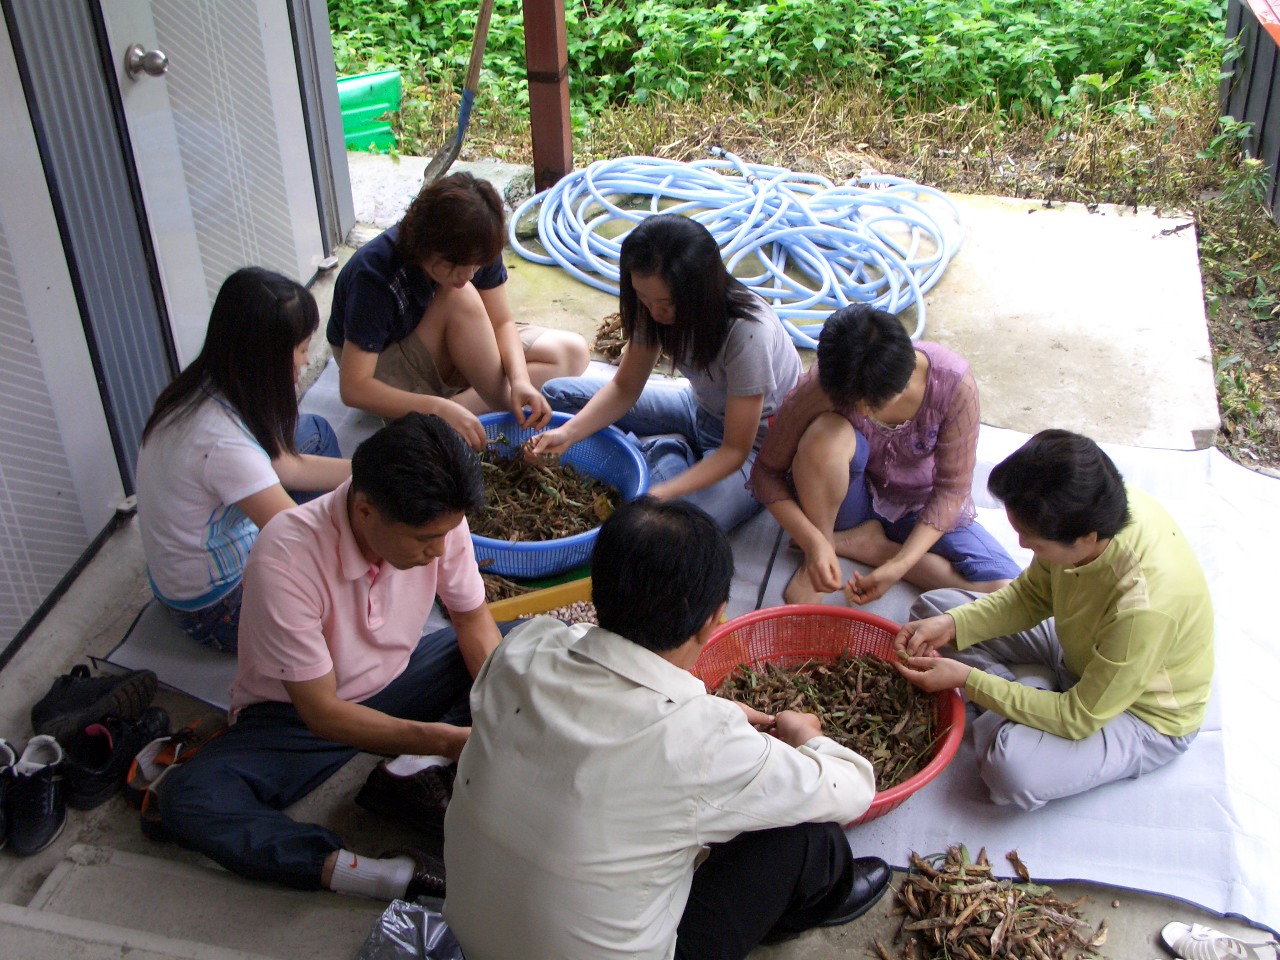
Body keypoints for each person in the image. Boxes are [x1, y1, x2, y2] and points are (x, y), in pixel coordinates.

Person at [444, 496, 892, 959]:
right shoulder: (702, 739)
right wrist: (806, 734)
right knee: (813, 842)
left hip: (473, 937)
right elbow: (853, 788)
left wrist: (704, 712)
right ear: (711, 620)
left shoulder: (525, 647)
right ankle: (788, 915)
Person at [156, 414, 509, 898]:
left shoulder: (437, 520)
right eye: (425, 540)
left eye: (446, 534)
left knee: (522, 648)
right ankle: (371, 873)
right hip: (299, 718)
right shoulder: (286, 557)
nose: (439, 550)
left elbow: (470, 619)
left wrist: (501, 713)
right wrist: (445, 741)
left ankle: (404, 770)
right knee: (190, 799)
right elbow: (321, 712)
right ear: (365, 511)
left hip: (397, 681)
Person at [893, 430, 1214, 810]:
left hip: (1137, 711)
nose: (1024, 547)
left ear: (1085, 538)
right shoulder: (1091, 511)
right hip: (1078, 648)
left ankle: (1023, 702)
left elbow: (1080, 716)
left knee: (1010, 771)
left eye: (1033, 541)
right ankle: (1025, 700)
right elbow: (1031, 596)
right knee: (933, 613)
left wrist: (971, 681)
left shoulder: (1145, 608)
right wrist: (952, 626)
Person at [528, 213, 803, 532]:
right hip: (697, 407)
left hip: (754, 447)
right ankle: (671, 451)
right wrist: (568, 434)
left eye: (666, 303)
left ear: (699, 292)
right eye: (642, 298)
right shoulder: (652, 308)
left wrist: (662, 493)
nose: (653, 312)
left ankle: (667, 455)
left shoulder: (748, 334)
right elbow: (624, 388)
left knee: (682, 528)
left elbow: (734, 451)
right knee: (558, 396)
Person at [136, 267, 350, 653]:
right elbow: (302, 538)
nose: (305, 361)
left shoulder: (210, 383)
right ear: (264, 358)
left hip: (177, 571)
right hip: (217, 606)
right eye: (301, 349)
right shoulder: (222, 442)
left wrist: (368, 471)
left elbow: (285, 464)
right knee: (342, 598)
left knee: (313, 432)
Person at [749, 304, 1021, 605]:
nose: (863, 412)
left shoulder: (952, 385)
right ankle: (829, 542)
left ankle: (874, 548)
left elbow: (950, 491)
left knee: (1004, 587)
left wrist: (898, 564)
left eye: (873, 404)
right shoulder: (825, 383)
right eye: (853, 403)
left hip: (919, 504)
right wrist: (815, 544)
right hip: (846, 502)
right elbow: (766, 472)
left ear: (905, 379)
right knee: (826, 436)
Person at [326, 171, 589, 449]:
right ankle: (454, 414)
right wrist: (436, 407)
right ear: (428, 243)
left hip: (443, 337)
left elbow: (501, 322)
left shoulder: (475, 244)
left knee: (571, 353)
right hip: (381, 360)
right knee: (460, 296)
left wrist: (521, 380)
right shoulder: (375, 274)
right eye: (456, 266)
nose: (467, 274)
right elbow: (354, 387)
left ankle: (456, 412)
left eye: (475, 266)